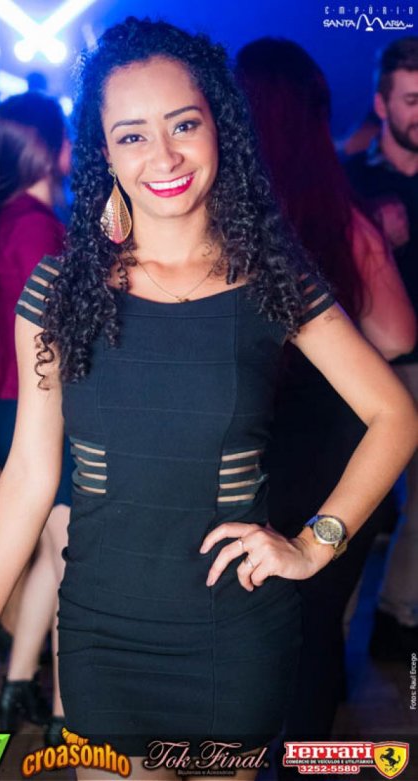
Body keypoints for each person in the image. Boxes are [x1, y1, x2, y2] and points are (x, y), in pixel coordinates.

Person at [0, 18, 417, 781]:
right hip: (102, 638)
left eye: (184, 124)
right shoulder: (60, 291)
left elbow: (394, 414)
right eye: (132, 135)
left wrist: (313, 542)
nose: (163, 156)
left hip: (236, 636)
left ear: (218, 126)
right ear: (103, 152)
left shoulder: (272, 277)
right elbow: (28, 477)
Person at [235, 36, 416, 757]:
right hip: (335, 444)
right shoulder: (339, 214)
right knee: (314, 631)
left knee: (243, 622)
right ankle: (306, 758)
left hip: (245, 440)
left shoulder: (218, 219)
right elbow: (398, 335)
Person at [0, 92, 73, 741]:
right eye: (66, 137)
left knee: (53, 556)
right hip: (37, 413)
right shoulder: (35, 227)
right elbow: (61, 335)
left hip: (13, 408)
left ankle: (16, 685)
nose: (75, 148)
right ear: (45, 147)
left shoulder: (9, 218)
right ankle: (65, 712)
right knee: (71, 562)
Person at [346, 36, 418, 660]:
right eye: (412, 100)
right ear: (382, 104)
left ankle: (399, 619)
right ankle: (331, 646)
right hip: (365, 369)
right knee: (357, 501)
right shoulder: (353, 183)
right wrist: (378, 238)